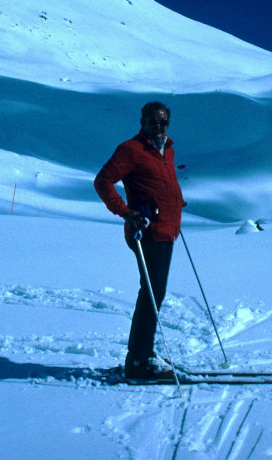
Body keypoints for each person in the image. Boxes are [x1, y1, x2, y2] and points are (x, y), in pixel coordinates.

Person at [94, 101, 187, 380]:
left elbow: (164, 183)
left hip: (168, 229)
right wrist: (125, 212)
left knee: (155, 293)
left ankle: (143, 353)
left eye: (163, 122)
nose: (158, 127)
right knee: (151, 293)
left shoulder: (167, 149)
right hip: (147, 231)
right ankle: (138, 360)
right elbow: (103, 181)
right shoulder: (131, 150)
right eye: (153, 121)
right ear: (143, 122)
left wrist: (177, 201)